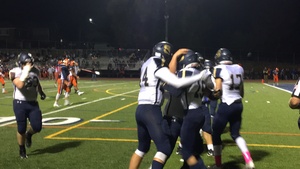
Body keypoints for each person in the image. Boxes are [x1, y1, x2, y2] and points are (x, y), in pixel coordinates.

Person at [128, 42, 208, 169]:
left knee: (142, 148)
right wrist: (200, 76)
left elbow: (168, 83)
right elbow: (176, 84)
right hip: (152, 110)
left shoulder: (147, 63)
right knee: (165, 148)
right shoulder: (158, 64)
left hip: (141, 108)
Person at [209, 48, 255, 169]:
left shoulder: (219, 69)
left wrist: (210, 95)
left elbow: (218, 90)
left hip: (226, 105)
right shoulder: (239, 68)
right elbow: (242, 91)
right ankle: (249, 160)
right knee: (235, 134)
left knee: (216, 133)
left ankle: (218, 164)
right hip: (238, 104)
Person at [9, 52, 46, 159]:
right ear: (21, 63)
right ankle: (22, 149)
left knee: (37, 127)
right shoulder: (14, 71)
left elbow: (36, 82)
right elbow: (20, 85)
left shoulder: (35, 71)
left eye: (30, 62)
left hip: (33, 103)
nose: (29, 64)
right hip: (20, 103)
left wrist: (41, 92)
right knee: (21, 128)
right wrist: (25, 71)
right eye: (26, 62)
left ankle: (29, 134)